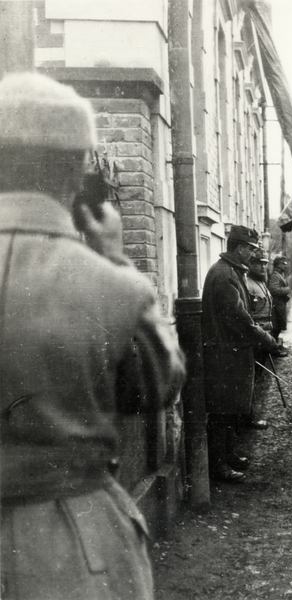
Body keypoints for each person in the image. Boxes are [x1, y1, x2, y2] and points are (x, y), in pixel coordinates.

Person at [0, 72, 185, 600]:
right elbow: (160, 386)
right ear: (75, 172)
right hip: (74, 546)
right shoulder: (110, 286)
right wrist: (117, 259)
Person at [202, 225, 278, 482]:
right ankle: (219, 465)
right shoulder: (225, 276)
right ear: (239, 248)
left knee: (230, 410)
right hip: (224, 357)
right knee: (222, 412)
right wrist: (266, 339)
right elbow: (240, 318)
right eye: (250, 249)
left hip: (230, 355)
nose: (252, 254)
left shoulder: (230, 271)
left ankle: (228, 454)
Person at [246, 247, 274, 429]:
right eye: (259, 264)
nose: (263, 268)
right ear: (250, 264)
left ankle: (251, 413)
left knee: (259, 377)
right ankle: (249, 416)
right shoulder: (248, 284)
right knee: (252, 378)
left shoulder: (262, 283)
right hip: (255, 335)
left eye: (265, 264)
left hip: (264, 334)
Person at [268, 255, 292, 353]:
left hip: (280, 304)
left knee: (278, 327)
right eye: (283, 264)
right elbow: (273, 289)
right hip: (276, 305)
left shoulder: (279, 274)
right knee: (276, 327)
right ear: (278, 265)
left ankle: (276, 346)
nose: (285, 266)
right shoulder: (275, 275)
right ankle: (274, 349)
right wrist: (287, 289)